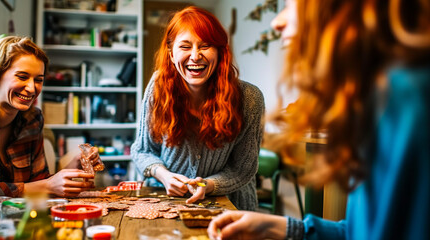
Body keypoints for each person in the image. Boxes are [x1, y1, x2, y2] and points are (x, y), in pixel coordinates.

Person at [208, 0, 430, 239]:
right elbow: (361, 232)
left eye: (292, 6)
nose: (277, 22)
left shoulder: (408, 104)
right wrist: (284, 228)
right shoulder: (376, 101)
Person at [131, 6, 265, 211]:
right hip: (164, 202)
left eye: (205, 46)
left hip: (230, 206)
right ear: (171, 53)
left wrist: (208, 185)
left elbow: (243, 169)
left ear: (221, 52)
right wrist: (164, 175)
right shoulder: (158, 86)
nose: (195, 56)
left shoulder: (250, 99)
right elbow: (142, 151)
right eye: (185, 46)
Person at [0, 36, 95, 208]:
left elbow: (38, 182)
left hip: (14, 223)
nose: (32, 88)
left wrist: (71, 171)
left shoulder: (32, 119)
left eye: (38, 80)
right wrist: (44, 186)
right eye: (22, 77)